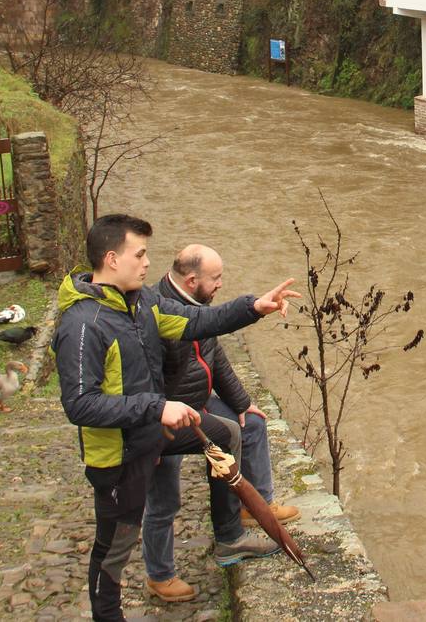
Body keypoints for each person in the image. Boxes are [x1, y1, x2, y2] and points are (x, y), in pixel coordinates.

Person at [52, 214, 300, 622]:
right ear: (112, 259)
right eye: (140, 254)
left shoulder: (142, 303)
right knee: (115, 547)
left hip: (152, 431)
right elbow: (80, 405)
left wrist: (254, 307)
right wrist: (157, 406)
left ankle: (231, 534)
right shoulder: (83, 324)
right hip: (119, 455)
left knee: (224, 434)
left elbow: (199, 321)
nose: (148, 263)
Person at [140, 244, 301, 604]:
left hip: (198, 401)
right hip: (168, 413)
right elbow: (146, 377)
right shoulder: (156, 310)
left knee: (252, 426)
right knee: (164, 499)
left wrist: (242, 403)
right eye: (216, 279)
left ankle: (253, 506)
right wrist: (153, 426)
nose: (221, 285)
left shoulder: (198, 304)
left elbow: (216, 356)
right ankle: (161, 575)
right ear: (192, 279)